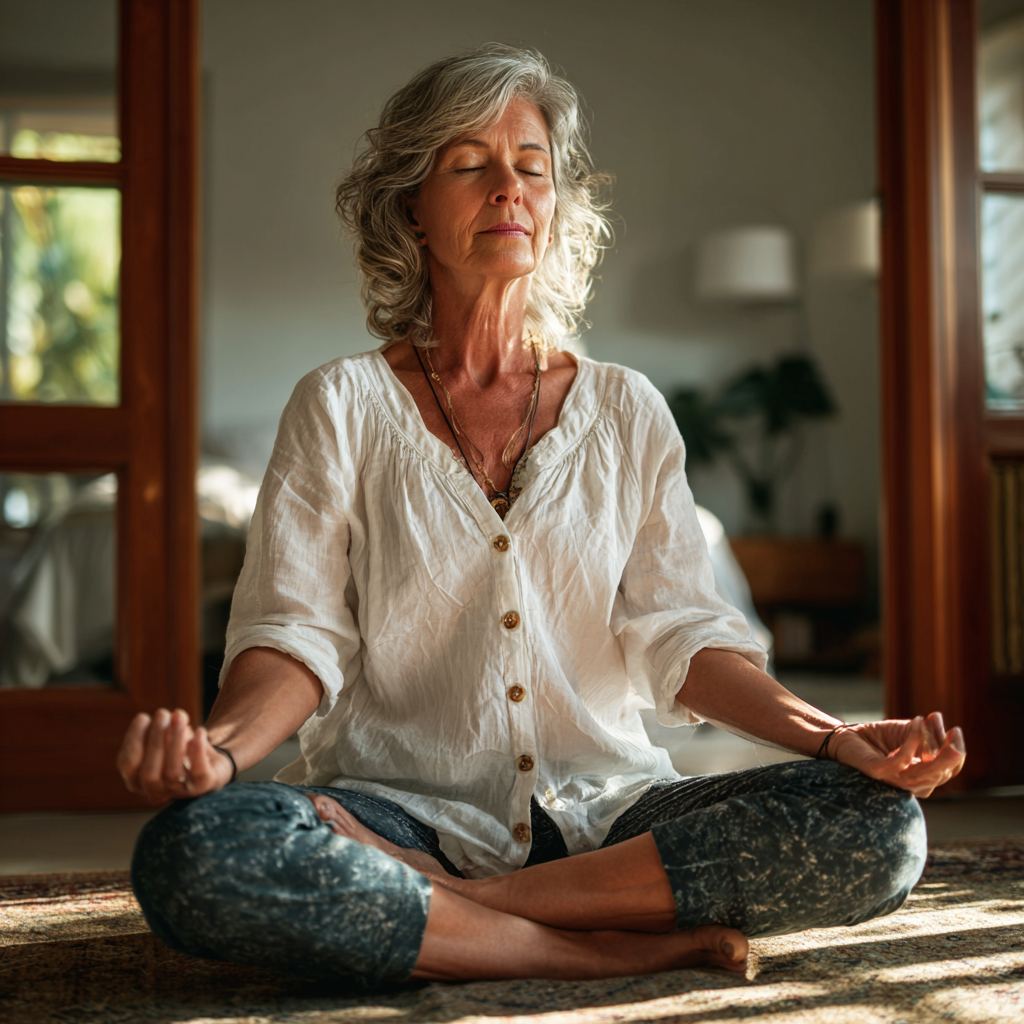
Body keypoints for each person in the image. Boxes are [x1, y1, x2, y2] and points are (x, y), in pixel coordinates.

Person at [120, 44, 966, 988]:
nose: (508, 190)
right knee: (194, 854)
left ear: (557, 205)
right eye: (469, 165)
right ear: (410, 206)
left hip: (612, 818)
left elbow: (686, 636)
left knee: (881, 826)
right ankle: (591, 948)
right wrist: (219, 755)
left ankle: (456, 909)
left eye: (531, 167)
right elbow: (293, 634)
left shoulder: (626, 408)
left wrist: (835, 737)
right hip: (393, 811)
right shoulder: (340, 405)